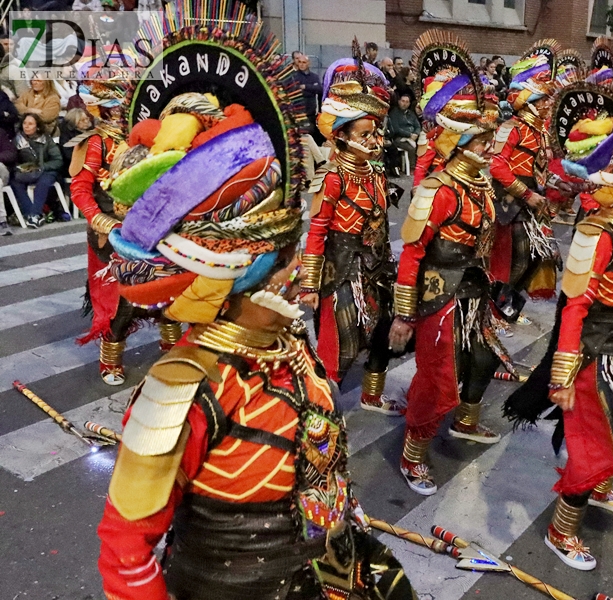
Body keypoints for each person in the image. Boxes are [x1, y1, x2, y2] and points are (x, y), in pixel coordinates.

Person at [96, 4, 417, 599]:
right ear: (235, 276)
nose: (301, 275)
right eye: (289, 261)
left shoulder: (289, 348)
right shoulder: (180, 388)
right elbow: (125, 550)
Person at [504, 81, 613, 571]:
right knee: (593, 446)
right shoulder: (596, 234)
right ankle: (561, 531)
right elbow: (573, 309)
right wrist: (562, 376)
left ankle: (599, 490)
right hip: (595, 355)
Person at [389, 29, 511, 496]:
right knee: (436, 379)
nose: (487, 148)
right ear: (458, 143)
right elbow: (413, 254)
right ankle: (413, 453)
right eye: (480, 142)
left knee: (479, 361)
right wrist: (403, 315)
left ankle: (462, 420)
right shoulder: (437, 190)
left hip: (472, 296)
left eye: (486, 141)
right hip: (437, 298)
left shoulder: (478, 184)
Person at [301, 52, 405, 416]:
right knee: (341, 343)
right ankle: (321, 411)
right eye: (365, 134)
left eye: (375, 133)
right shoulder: (332, 178)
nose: (374, 140)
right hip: (343, 269)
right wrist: (310, 284)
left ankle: (372, 396)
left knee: (382, 335)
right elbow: (315, 232)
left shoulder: (375, 174)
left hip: (377, 268)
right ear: (341, 135)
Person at [66, 64, 181, 384]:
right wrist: (101, 221)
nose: (117, 111)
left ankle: (174, 347)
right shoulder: (95, 142)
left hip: (150, 230)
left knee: (167, 292)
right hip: (112, 234)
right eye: (112, 104)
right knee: (121, 303)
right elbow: (79, 189)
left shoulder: (147, 135)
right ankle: (111, 360)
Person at [488, 40, 562, 323]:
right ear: (529, 102)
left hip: (532, 200)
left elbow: (540, 168)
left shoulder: (540, 132)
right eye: (542, 100)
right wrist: (526, 193)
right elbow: (497, 166)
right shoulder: (512, 128)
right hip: (512, 203)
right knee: (517, 259)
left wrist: (560, 185)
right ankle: (494, 312)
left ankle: (508, 307)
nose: (547, 105)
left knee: (535, 258)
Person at [10, 113, 63, 228]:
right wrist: (21, 168)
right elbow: (14, 161)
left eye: (30, 124)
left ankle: (33, 214)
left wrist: (42, 167)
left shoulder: (46, 139)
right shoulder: (17, 141)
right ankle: (33, 215)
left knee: (44, 181)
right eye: (24, 123)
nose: (26, 126)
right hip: (28, 173)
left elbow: (58, 160)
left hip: (47, 170)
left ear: (37, 126)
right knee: (15, 182)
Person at [384, 90, 419, 176]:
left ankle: (421, 167)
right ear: (399, 101)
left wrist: (416, 134)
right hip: (398, 138)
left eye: (407, 102)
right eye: (403, 101)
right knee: (411, 148)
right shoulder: (394, 113)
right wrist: (409, 135)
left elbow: (418, 126)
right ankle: (412, 168)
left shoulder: (411, 113)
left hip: (413, 137)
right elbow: (396, 129)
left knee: (423, 145)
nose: (404, 104)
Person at [292, 51, 324, 144]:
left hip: (311, 113)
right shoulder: (294, 76)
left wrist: (305, 87)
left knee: (312, 135)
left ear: (308, 63)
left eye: (304, 62)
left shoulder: (314, 76)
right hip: (298, 113)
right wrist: (311, 88)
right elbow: (295, 90)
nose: (301, 65)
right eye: (300, 62)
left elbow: (319, 89)